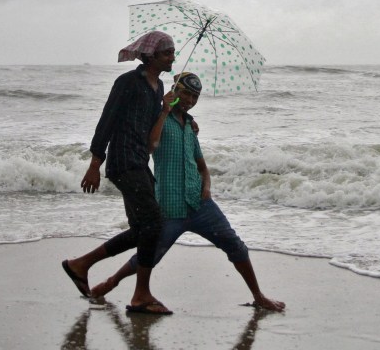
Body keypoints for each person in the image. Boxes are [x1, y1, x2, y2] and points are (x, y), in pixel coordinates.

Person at [89, 72, 285, 312]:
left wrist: (206, 187)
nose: (190, 100)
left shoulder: (191, 127)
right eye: (186, 94)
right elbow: (150, 146)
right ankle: (111, 282)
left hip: (200, 205)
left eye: (195, 97)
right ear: (175, 91)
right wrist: (164, 111)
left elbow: (202, 167)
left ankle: (258, 296)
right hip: (169, 207)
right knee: (150, 255)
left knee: (235, 245)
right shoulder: (157, 118)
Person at [61, 30, 177, 315]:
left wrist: (170, 111)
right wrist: (94, 165)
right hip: (123, 161)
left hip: (139, 161)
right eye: (167, 53)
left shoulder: (158, 88)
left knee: (142, 230)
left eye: (173, 52)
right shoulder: (127, 82)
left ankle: (80, 265)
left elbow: (151, 132)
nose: (172, 57)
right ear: (150, 56)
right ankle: (141, 296)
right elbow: (107, 121)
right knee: (153, 224)